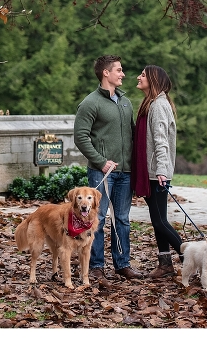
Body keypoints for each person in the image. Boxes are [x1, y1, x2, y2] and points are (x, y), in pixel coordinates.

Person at [74, 55, 143, 286]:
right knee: (98, 219)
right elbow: (81, 137)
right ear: (106, 73)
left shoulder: (126, 102)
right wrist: (101, 161)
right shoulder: (90, 103)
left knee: (122, 219)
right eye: (119, 70)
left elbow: (133, 134)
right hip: (101, 172)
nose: (123, 74)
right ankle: (95, 267)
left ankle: (122, 264)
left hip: (125, 172)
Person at [131, 65, 184, 278]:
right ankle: (165, 264)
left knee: (160, 221)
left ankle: (188, 255)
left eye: (143, 75)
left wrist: (161, 170)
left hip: (157, 172)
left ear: (153, 79)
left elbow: (161, 141)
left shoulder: (159, 105)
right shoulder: (151, 103)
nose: (138, 77)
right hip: (152, 171)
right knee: (158, 219)